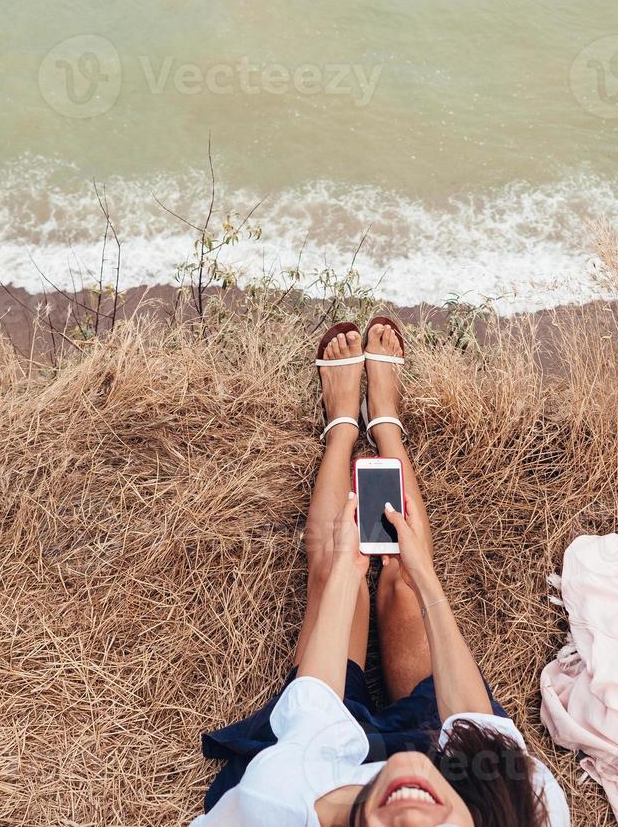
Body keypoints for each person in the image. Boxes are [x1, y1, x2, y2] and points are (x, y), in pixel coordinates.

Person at [194, 318, 570, 827]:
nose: (411, 818)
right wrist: (426, 574)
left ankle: (343, 424)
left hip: (322, 768)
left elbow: (310, 722)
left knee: (331, 573)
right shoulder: (527, 802)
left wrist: (347, 571)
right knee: (407, 581)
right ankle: (386, 420)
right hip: (452, 767)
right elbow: (480, 728)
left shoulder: (277, 801)